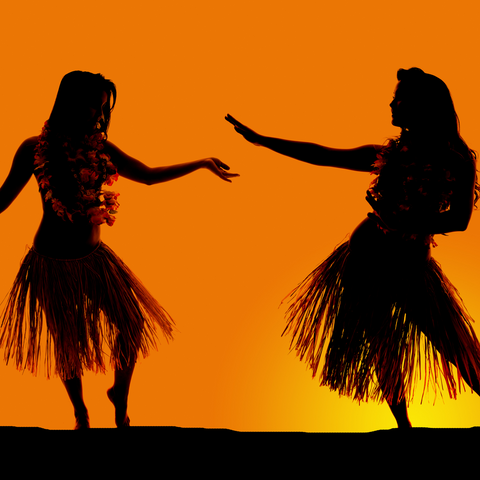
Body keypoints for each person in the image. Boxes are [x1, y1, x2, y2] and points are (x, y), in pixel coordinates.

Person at [226, 67, 480, 429]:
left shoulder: (456, 159)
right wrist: (264, 140)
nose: (392, 104)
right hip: (365, 260)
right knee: (382, 346)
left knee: (456, 345)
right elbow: (325, 154)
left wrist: (402, 224)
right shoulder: (390, 154)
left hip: (412, 266)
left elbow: (458, 221)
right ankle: (403, 426)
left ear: (423, 106)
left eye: (400, 98)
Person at [0, 70, 238, 429]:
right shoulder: (35, 149)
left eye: (100, 108)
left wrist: (201, 163)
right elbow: (1, 201)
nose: (96, 115)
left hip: (95, 258)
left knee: (132, 323)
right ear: (68, 103)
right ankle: (80, 413)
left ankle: (119, 398)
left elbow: (148, 174)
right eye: (90, 106)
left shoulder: (102, 151)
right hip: (51, 260)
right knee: (68, 342)